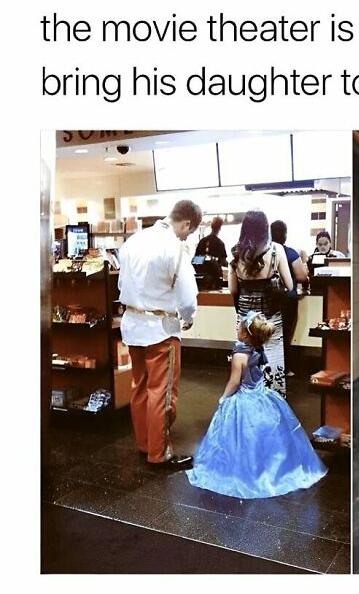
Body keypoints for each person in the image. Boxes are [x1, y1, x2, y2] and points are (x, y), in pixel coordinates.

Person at [187, 311, 328, 498]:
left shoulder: (240, 354)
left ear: (245, 334)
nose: (236, 329)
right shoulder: (258, 349)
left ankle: (241, 473)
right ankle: (269, 469)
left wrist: (223, 398)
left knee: (239, 438)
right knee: (267, 437)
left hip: (243, 398)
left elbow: (235, 382)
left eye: (238, 327)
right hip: (262, 395)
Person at [118, 199, 202, 471]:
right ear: (186, 223)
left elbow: (121, 282)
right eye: (188, 231)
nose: (186, 236)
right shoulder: (174, 247)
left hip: (132, 325)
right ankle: (159, 452)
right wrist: (188, 319)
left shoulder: (133, 241)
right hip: (160, 329)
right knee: (162, 393)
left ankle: (145, 444)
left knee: (140, 386)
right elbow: (188, 298)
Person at [229, 209, 293, 396]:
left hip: (245, 318)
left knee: (244, 362)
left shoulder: (236, 253)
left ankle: (248, 401)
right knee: (273, 362)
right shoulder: (276, 250)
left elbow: (233, 289)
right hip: (270, 317)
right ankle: (273, 402)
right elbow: (289, 285)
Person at [270, 219, 309, 369]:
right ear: (285, 235)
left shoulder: (264, 251)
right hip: (287, 298)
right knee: (285, 334)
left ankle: (270, 366)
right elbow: (301, 276)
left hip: (269, 298)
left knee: (270, 333)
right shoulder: (290, 252)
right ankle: (285, 368)